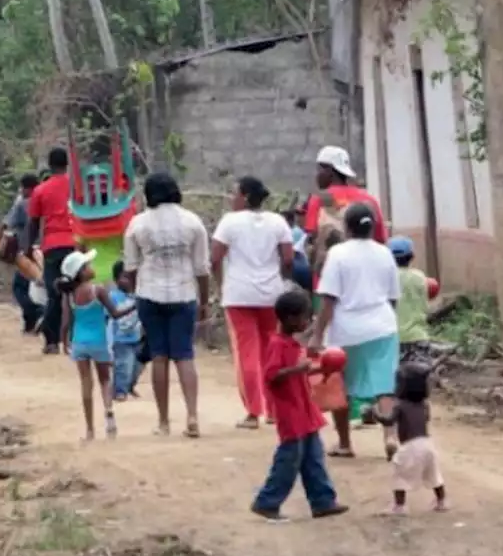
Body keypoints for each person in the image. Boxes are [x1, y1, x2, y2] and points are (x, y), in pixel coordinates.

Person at [122, 171, 210, 438]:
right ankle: (192, 416)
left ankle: (163, 421)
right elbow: (202, 269)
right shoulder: (193, 222)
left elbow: (131, 267)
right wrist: (204, 302)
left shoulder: (138, 224)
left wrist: (137, 293)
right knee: (184, 355)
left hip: (150, 294)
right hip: (184, 295)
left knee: (159, 355)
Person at [310, 202, 401, 459]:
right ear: (372, 228)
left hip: (346, 330)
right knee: (385, 385)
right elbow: (393, 297)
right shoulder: (385, 253)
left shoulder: (338, 254)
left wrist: (317, 335)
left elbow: (329, 300)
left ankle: (345, 442)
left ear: (347, 227)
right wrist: (387, 320)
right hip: (382, 326)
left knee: (341, 386)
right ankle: (390, 436)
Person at [250, 289, 349, 522]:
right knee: (288, 461)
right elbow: (272, 375)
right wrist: (299, 369)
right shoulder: (277, 345)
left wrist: (323, 368)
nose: (308, 322)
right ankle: (267, 501)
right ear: (290, 318)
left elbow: (299, 373)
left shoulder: (291, 344)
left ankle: (323, 501)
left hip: (304, 411)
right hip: (290, 413)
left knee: (314, 459)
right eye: (306, 317)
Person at [211, 176, 294, 430]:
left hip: (239, 294)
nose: (231, 197)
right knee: (271, 350)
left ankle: (252, 411)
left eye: (234, 192)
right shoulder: (278, 221)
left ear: (245, 196)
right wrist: (281, 281)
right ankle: (273, 410)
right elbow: (288, 258)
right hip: (271, 294)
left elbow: (215, 258)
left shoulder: (229, 222)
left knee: (246, 352)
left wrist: (221, 284)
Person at [59, 250, 135, 440]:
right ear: (81, 272)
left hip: (79, 343)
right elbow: (115, 313)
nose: (91, 268)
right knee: (105, 379)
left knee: (86, 383)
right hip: (99, 342)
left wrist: (64, 342)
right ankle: (109, 414)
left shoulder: (69, 295)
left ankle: (90, 429)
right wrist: (135, 305)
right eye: (87, 266)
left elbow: (66, 322)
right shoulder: (98, 290)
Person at [374, 363, 447, 515]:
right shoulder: (425, 405)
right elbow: (425, 419)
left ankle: (399, 506)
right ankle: (442, 501)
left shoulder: (400, 405)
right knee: (433, 474)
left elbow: (389, 421)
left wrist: (375, 413)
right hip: (427, 443)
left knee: (399, 475)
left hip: (410, 445)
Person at [28, 148, 79, 355]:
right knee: (76, 292)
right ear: (67, 164)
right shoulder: (77, 188)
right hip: (76, 243)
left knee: (54, 292)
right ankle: (75, 338)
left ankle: (51, 341)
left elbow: (33, 222)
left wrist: (27, 246)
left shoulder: (40, 190)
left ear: (50, 165)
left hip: (52, 245)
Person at [303, 145, 387, 259]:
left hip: (328, 271)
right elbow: (380, 239)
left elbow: (311, 240)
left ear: (329, 171)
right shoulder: (369, 200)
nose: (317, 175)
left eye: (319, 170)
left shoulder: (320, 200)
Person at [6, 174, 43, 334]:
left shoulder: (23, 203)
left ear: (27, 188)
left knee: (20, 286)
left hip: (28, 250)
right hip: (47, 247)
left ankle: (35, 314)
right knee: (42, 284)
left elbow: (10, 223)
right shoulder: (46, 198)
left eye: (22, 187)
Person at [389, 237, 433, 356]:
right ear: (412, 256)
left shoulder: (386, 278)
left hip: (391, 340)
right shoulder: (420, 277)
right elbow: (425, 307)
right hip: (417, 337)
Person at [108, 261, 143, 400]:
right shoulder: (113, 296)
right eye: (125, 277)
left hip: (138, 336)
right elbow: (110, 316)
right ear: (116, 280)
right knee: (123, 365)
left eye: (131, 277)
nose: (129, 281)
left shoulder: (138, 295)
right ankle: (119, 391)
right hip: (121, 338)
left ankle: (129, 386)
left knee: (137, 367)